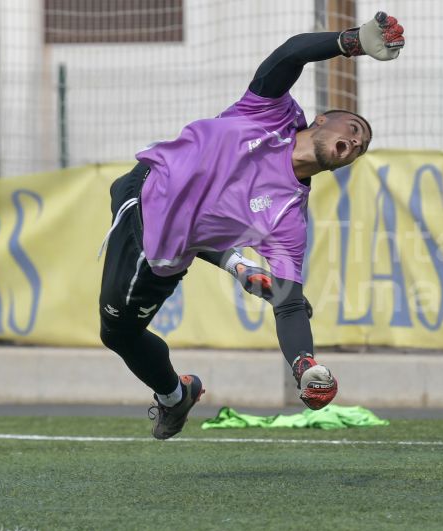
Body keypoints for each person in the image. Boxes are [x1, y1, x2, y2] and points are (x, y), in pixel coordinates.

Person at [97, 12, 405, 439]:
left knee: (119, 334)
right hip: (144, 190)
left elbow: (289, 303)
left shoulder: (288, 219)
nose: (355, 142)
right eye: (353, 129)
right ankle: (235, 266)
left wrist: (305, 364)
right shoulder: (270, 113)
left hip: (154, 251)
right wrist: (351, 41)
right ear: (320, 120)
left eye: (360, 147)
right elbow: (290, 54)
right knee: (136, 206)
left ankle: (175, 396)